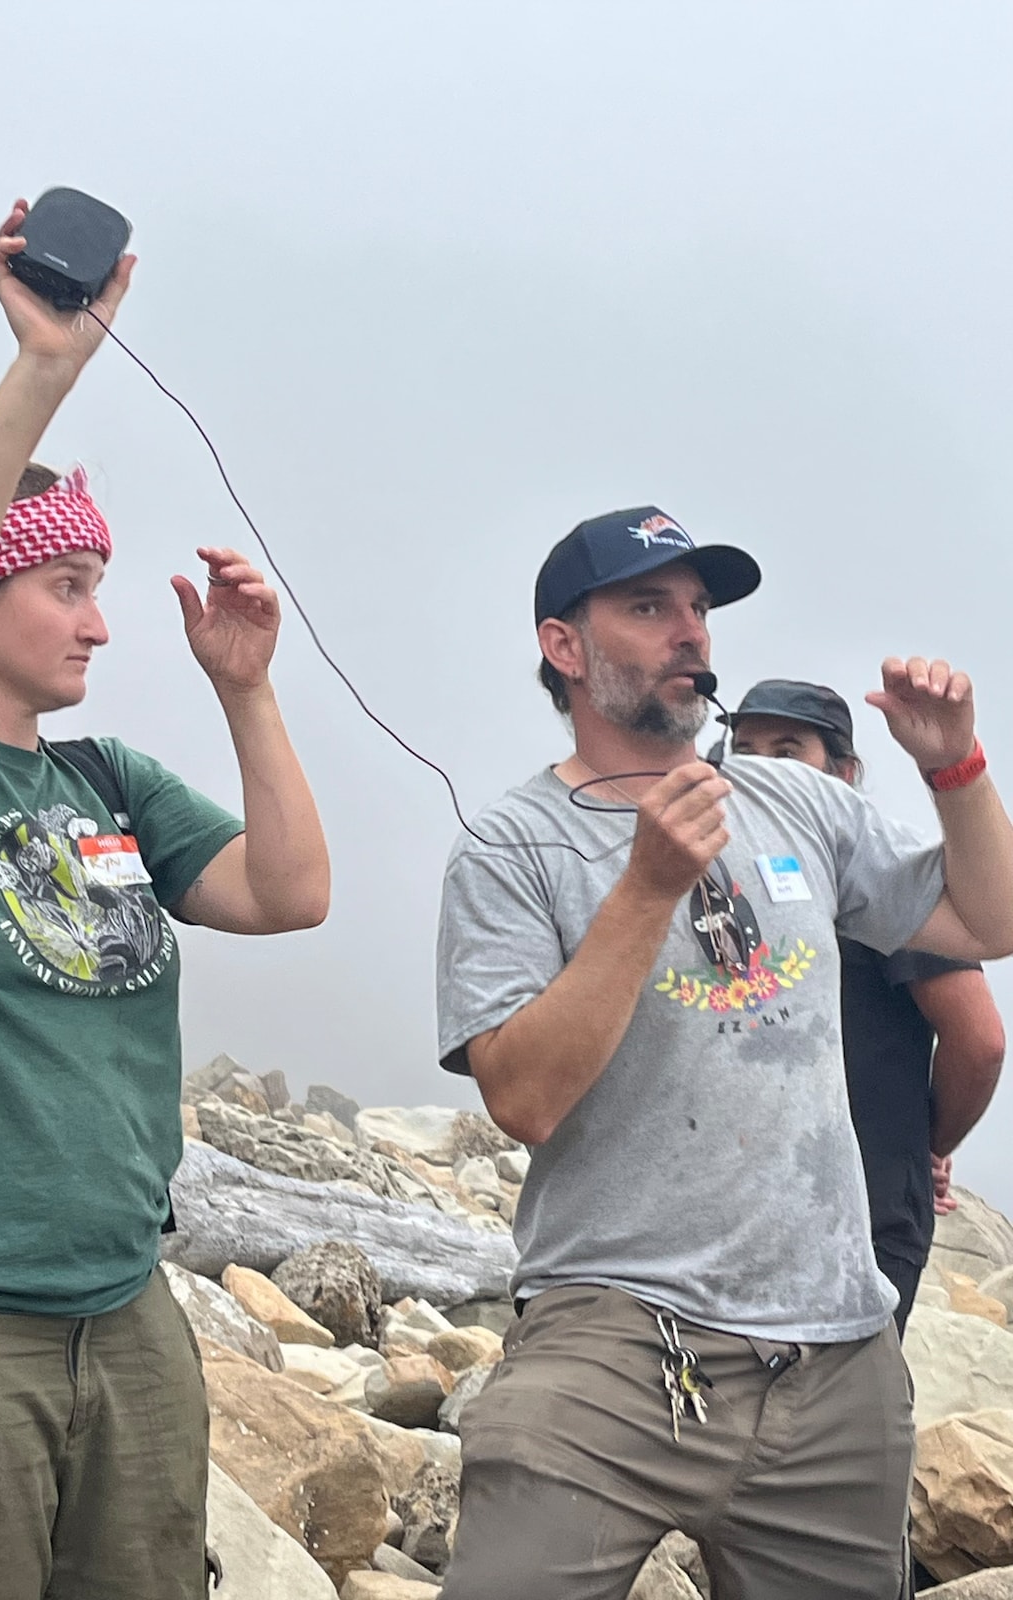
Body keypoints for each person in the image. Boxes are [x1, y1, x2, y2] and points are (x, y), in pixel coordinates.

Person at [0, 202, 330, 1600]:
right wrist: (50, 363)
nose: (102, 619)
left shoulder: (112, 782)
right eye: (67, 583)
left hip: (124, 1314)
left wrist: (248, 689)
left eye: (99, 584)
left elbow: (290, 894)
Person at [434, 504, 1013, 1600]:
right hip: (608, 1334)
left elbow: (990, 921)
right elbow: (524, 1097)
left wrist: (958, 768)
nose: (690, 633)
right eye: (648, 607)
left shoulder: (796, 800)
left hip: (837, 1353)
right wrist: (647, 886)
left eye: (697, 608)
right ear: (565, 646)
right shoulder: (511, 847)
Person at [726, 680, 1004, 1333]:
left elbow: (981, 1040)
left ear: (845, 773)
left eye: (788, 751)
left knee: (835, 1427)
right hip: (750, 1211)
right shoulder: (731, 887)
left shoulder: (872, 883)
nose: (760, 771)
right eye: (743, 750)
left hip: (866, 1218)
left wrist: (926, 1147)